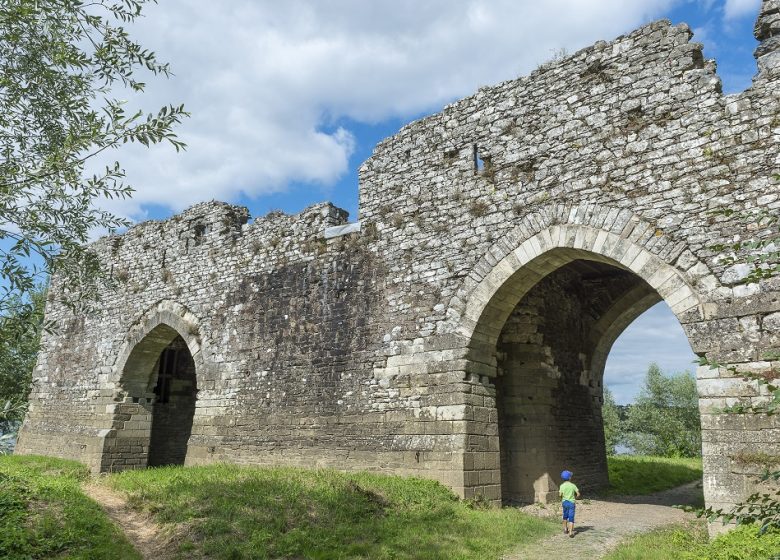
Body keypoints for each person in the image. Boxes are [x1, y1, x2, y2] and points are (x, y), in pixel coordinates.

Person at [559, 469, 581, 537]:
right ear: (569, 478)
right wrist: (576, 498)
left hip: (564, 502)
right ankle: (571, 533)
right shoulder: (573, 485)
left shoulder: (562, 486)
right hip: (571, 503)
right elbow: (578, 494)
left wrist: (562, 498)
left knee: (565, 516)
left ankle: (565, 529)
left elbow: (560, 495)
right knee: (571, 518)